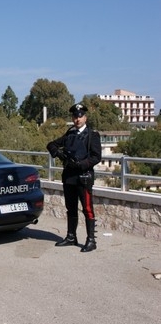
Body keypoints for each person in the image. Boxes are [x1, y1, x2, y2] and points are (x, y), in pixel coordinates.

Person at [47, 103, 102, 252]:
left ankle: (91, 240)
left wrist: (81, 164)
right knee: (70, 208)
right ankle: (71, 237)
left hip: (83, 177)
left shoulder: (92, 135)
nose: (77, 119)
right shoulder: (69, 134)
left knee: (87, 209)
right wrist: (59, 154)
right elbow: (51, 145)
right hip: (69, 177)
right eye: (74, 116)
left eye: (80, 116)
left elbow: (96, 157)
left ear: (85, 117)